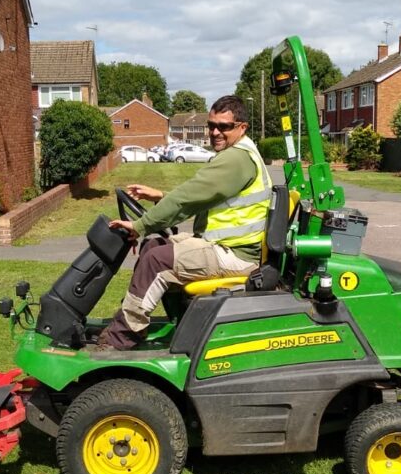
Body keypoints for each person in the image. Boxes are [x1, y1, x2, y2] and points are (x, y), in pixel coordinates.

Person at [97, 95, 272, 349]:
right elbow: (201, 197)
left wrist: (139, 225)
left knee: (157, 261)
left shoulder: (236, 160)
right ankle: (182, 322)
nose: (215, 132)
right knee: (153, 245)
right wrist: (159, 197)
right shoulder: (239, 154)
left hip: (236, 255)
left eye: (223, 127)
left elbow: (187, 198)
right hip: (222, 245)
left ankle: (122, 336)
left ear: (242, 127)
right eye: (211, 125)